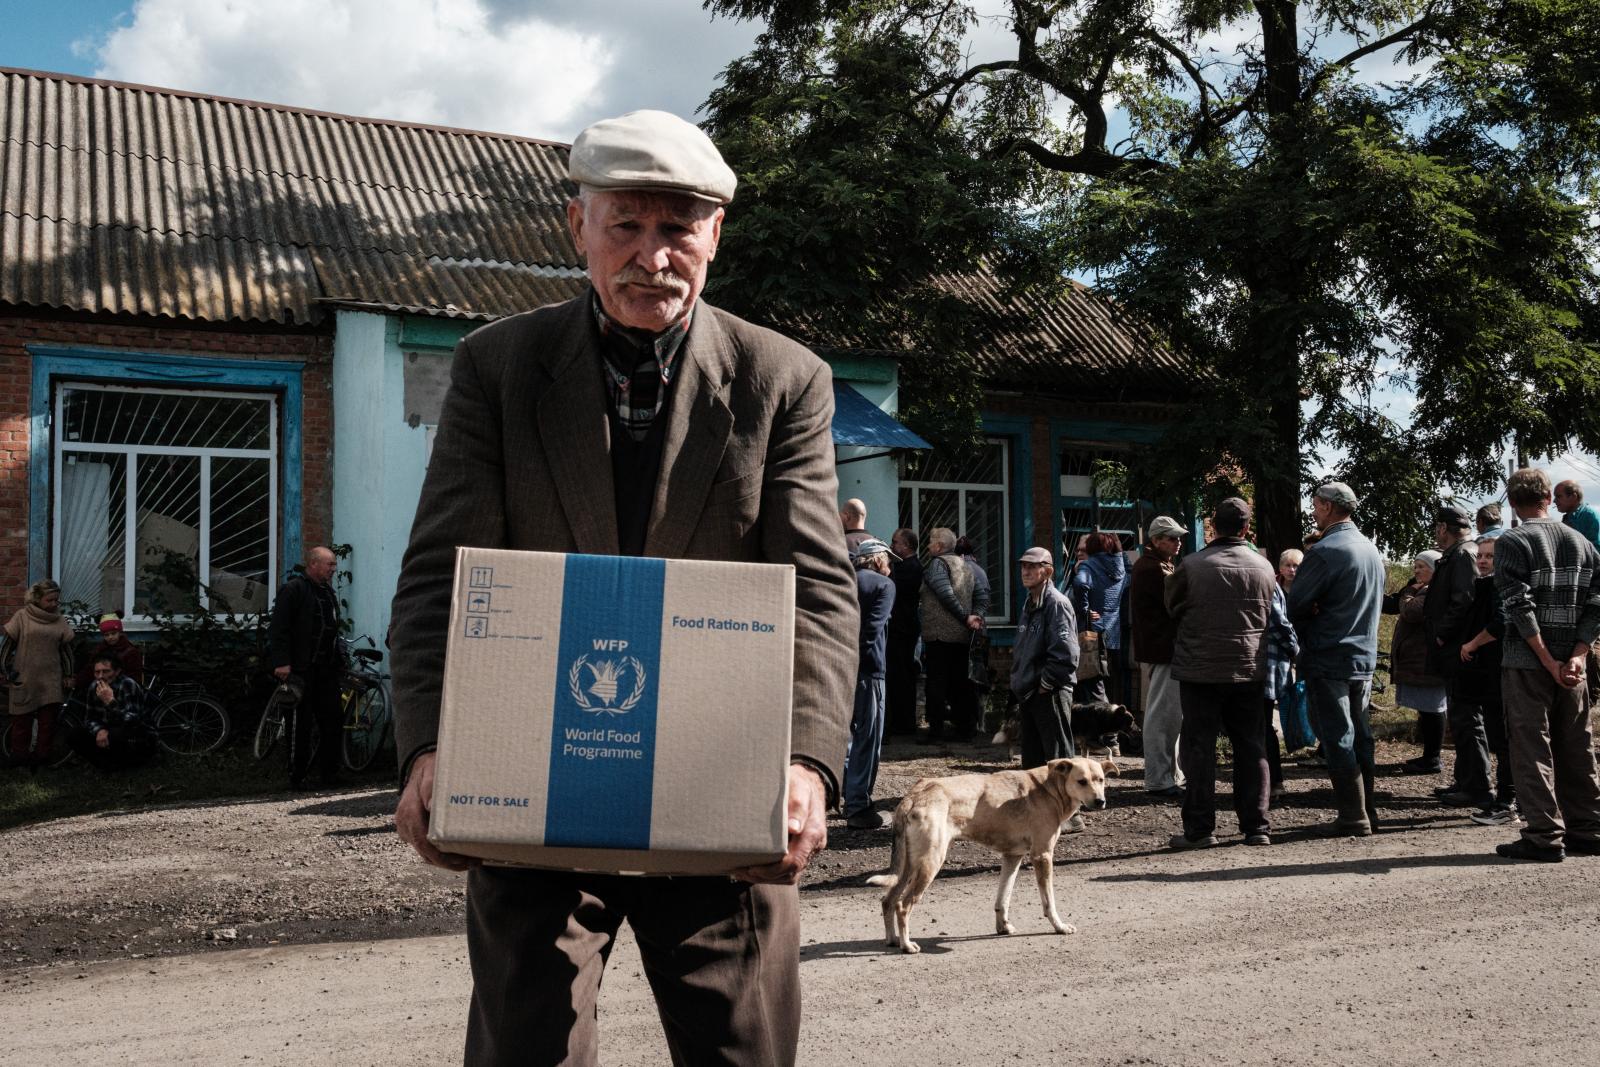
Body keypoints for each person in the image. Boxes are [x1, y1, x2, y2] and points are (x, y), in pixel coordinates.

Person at [387, 110, 857, 1065]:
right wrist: (431, 745)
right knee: (528, 1048)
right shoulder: (497, 368)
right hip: (538, 793)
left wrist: (808, 765)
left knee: (743, 1050)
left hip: (720, 793)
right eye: (626, 226)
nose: (653, 256)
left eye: (678, 227)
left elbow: (816, 590)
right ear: (578, 228)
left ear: (714, 234)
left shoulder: (783, 380)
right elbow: (442, 573)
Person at [1489, 468, 1600, 862]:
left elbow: (1517, 606)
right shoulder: (1582, 542)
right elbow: (1596, 603)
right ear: (1548, 499)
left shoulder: (1513, 540)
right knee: (1577, 743)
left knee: (1531, 744)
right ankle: (1587, 827)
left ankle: (1544, 836)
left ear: (1513, 502)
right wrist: (1577, 655)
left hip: (1527, 662)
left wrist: (1547, 659)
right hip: (1573, 666)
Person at [1165, 498, 1279, 848]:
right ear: (1246, 528)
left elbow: (1172, 606)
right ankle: (1256, 825)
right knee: (1251, 746)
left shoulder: (1193, 565)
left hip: (1201, 670)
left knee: (1199, 749)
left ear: (1213, 526)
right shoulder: (1264, 568)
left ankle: (1200, 829)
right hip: (1248, 669)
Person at [1286, 481, 1387, 836]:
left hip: (1329, 653)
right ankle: (1367, 810)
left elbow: (1294, 603)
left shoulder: (1326, 550)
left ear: (1328, 507)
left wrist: (1312, 610)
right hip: (1363, 654)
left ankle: (1352, 815)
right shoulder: (1370, 549)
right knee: (1361, 734)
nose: (1313, 511)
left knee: (1338, 735)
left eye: (1315, 505)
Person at [1425, 506, 1494, 809]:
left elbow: (1464, 598)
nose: (1436, 533)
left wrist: (1443, 632)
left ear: (1444, 528)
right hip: (1453, 648)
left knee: (1467, 719)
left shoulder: (1464, 554)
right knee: (1460, 717)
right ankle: (1465, 780)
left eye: (1437, 527)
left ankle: (1478, 786)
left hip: (1459, 649)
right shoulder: (1458, 554)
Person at [267, 546, 344, 790]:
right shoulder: (294, 590)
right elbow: (279, 628)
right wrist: (281, 662)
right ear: (313, 564)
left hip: (326, 670)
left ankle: (329, 775)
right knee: (299, 724)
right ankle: (297, 776)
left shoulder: (328, 593)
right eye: (329, 564)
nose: (334, 569)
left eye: (333, 565)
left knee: (333, 719)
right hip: (300, 669)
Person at [1459, 533, 1518, 827]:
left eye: (1489, 556)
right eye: (1479, 555)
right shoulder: (1484, 584)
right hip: (1488, 674)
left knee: (1503, 738)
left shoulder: (1500, 585)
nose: (1482, 560)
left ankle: (1507, 802)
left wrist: (1473, 644)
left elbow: (1502, 621)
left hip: (1500, 673)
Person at [1129, 515, 1187, 797]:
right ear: (1155, 540)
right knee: (1163, 715)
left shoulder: (1156, 564)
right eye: (1172, 538)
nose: (1178, 542)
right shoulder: (1152, 568)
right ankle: (1159, 778)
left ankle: (1169, 774)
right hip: (1163, 649)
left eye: (1178, 537)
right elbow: (1175, 605)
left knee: (1169, 714)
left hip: (1162, 648)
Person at [1009, 546, 1079, 768]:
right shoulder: (1029, 602)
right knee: (1032, 764)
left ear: (1047, 572)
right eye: (1023, 566)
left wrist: (1046, 684)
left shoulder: (1056, 603)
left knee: (1059, 762)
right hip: (1030, 691)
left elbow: (1066, 652)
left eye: (1032, 567)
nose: (1025, 572)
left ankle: (1068, 802)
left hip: (1050, 691)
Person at [844, 538, 895, 829]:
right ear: (877, 560)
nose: (889, 567)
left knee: (846, 737)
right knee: (868, 737)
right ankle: (859, 806)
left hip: (839, 668)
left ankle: (845, 796)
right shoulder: (883, 585)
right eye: (887, 560)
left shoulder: (847, 579)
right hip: (869, 670)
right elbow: (872, 631)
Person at [1, 579, 76, 770]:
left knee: (47, 724)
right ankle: (19, 758)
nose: (54, 604)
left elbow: (66, 651)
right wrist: (5, 670)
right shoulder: (22, 617)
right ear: (37, 599)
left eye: (56, 600)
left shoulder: (59, 621)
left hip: (51, 679)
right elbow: (7, 647)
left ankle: (41, 759)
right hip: (24, 678)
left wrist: (68, 674)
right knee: (21, 722)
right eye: (50, 600)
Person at [919, 526, 983, 742]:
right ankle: (964, 729)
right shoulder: (966, 565)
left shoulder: (938, 563)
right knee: (959, 682)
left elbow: (944, 592)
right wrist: (976, 616)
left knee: (937, 683)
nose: (927, 546)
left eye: (930, 541)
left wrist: (966, 617)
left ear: (938, 546)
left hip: (940, 634)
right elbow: (982, 594)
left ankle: (936, 731)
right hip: (962, 636)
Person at [1385, 550, 1447, 775]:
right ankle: (1429, 755)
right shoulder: (1423, 589)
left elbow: (1412, 611)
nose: (1417, 571)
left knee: (1433, 709)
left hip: (1427, 659)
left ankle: (1432, 758)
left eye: (1422, 566)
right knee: (1427, 710)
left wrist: (1409, 591)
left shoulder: (1433, 591)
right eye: (1415, 566)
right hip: (1419, 660)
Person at [70, 653, 157, 770]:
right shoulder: (93, 686)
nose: (100, 676)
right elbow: (89, 718)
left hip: (138, 734)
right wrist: (99, 730)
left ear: (117, 671)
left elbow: (133, 721)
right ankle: (105, 764)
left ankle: (126, 764)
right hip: (109, 729)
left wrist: (110, 702)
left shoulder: (127, 684)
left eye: (106, 671)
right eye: (97, 672)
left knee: (116, 734)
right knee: (74, 734)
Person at [1071, 531, 1126, 704]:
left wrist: (1084, 609)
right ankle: (1116, 718)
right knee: (1113, 680)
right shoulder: (1120, 566)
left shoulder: (1089, 565)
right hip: (1114, 632)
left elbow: (1080, 584)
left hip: (1093, 633)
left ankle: (1102, 724)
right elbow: (1129, 576)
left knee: (1093, 683)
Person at [885, 527, 922, 736]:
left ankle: (903, 723)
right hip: (903, 628)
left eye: (895, 542)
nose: (892, 546)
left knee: (901, 677)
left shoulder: (910, 568)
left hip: (903, 629)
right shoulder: (906, 566)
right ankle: (902, 721)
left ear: (906, 546)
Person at [73, 613, 145, 691]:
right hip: (103, 688)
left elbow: (134, 677)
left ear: (120, 633)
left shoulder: (131, 652)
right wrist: (76, 681)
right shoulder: (100, 650)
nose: (110, 637)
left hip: (123, 691)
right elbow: (90, 669)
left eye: (113, 633)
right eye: (106, 635)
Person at [1554, 479, 1600, 551]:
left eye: (1559, 496)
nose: (1554, 501)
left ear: (1573, 496)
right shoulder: (1568, 518)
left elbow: (1596, 551)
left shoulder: (1589, 516)